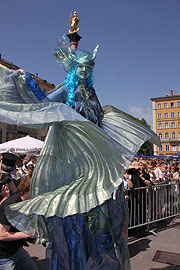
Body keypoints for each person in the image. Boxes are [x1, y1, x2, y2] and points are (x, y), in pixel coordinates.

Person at [0, 33, 159, 269]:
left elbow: (100, 121)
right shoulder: (67, 89)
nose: (85, 70)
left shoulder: (92, 93)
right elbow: (44, 105)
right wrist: (28, 82)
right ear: (75, 67)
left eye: (89, 66)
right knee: (74, 221)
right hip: (75, 164)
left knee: (101, 221)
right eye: (81, 66)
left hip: (96, 163)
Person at [0, 176, 37, 270]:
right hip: (4, 256)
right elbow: (2, 235)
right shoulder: (10, 206)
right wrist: (27, 233)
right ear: (29, 190)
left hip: (17, 250)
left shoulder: (25, 203)